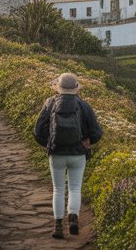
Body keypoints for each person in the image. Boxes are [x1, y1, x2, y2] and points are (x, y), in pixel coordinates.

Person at [32, 72, 103, 239]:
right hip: (78, 153)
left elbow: (37, 132)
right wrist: (88, 142)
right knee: (74, 187)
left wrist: (49, 144)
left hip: (56, 153)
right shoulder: (84, 105)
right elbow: (97, 132)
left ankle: (58, 227)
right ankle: (73, 219)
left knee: (58, 189)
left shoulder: (50, 103)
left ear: (58, 88)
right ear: (76, 89)